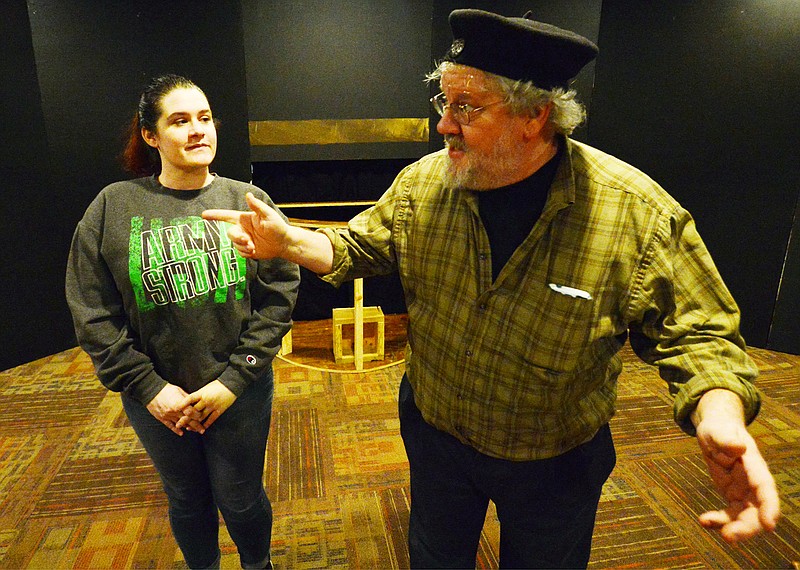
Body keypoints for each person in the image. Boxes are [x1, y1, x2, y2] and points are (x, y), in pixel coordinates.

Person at [203, 9, 781, 569]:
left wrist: (719, 415)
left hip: (555, 461)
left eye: (466, 107)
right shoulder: (424, 182)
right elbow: (360, 247)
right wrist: (288, 242)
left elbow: (702, 336)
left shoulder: (635, 214)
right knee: (435, 557)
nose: (443, 124)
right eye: (444, 102)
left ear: (535, 117)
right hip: (437, 436)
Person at [66, 74, 299, 569]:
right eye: (180, 120)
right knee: (187, 498)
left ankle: (258, 564)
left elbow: (279, 294)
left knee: (240, 497)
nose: (198, 130)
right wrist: (149, 388)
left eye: (205, 118)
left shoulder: (246, 200)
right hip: (157, 397)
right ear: (151, 135)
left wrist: (235, 380)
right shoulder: (113, 206)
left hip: (239, 390)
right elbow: (92, 311)